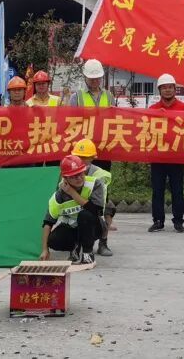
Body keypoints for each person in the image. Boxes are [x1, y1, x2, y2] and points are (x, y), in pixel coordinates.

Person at [73, 58, 117, 239]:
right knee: (83, 182)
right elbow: (71, 121)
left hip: (105, 148)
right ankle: (84, 216)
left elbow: (116, 120)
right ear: (85, 78)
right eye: (91, 78)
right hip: (84, 151)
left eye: (97, 78)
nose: (94, 81)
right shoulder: (77, 97)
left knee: (103, 183)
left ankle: (106, 220)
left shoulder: (109, 96)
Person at [40, 155, 103, 266]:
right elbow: (47, 223)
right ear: (65, 178)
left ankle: (87, 252)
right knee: (54, 240)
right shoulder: (58, 196)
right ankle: (75, 247)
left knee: (86, 214)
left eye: (81, 174)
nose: (79, 178)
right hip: (72, 228)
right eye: (73, 176)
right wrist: (45, 249)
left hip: (94, 227)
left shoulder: (95, 184)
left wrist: (72, 193)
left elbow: (95, 210)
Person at [148, 73, 184, 233]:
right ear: (159, 90)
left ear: (175, 89)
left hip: (176, 156)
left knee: (177, 190)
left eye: (170, 87)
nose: (167, 90)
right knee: (157, 190)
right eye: (164, 88)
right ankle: (158, 221)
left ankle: (178, 221)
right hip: (158, 156)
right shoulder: (152, 110)